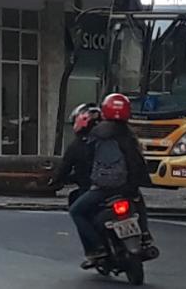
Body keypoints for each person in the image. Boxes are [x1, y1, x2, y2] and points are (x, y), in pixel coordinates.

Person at [68, 93, 151, 266]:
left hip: (103, 188)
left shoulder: (96, 134)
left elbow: (88, 161)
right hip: (127, 186)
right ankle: (145, 236)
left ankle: (96, 248)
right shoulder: (129, 135)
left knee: (76, 211)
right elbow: (138, 162)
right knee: (138, 200)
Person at [52, 104, 101, 203]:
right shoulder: (111, 140)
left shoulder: (78, 144)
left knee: (76, 208)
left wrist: (55, 180)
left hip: (90, 188)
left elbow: (65, 166)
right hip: (115, 189)